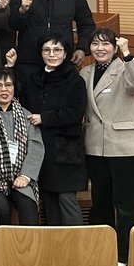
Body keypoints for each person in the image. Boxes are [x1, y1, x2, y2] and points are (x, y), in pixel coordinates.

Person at [80, 29, 134, 266]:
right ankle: (103, 250)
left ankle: (125, 255)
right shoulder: (85, 72)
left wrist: (128, 54)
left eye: (105, 44)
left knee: (126, 205)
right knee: (101, 202)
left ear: (115, 47)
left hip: (124, 147)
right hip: (95, 146)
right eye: (95, 44)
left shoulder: (125, 68)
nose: (100, 48)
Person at [9, 0, 95, 93]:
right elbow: (13, 25)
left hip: (63, 63)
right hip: (29, 64)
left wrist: (82, 48)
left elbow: (87, 24)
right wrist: (22, 11)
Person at [26, 33, 88, 226]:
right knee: (49, 199)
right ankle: (55, 242)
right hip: (42, 145)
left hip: (66, 146)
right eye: (47, 50)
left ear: (66, 53)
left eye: (57, 50)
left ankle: (78, 240)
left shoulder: (75, 80)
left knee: (66, 198)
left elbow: (75, 113)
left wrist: (44, 118)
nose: (52, 54)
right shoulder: (34, 77)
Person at [0, 65, 43, 226]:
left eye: (8, 85)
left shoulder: (26, 115)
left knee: (28, 204)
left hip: (21, 176)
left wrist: (25, 176)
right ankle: (1, 244)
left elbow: (36, 147)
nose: (4, 90)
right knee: (1, 208)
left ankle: (30, 244)